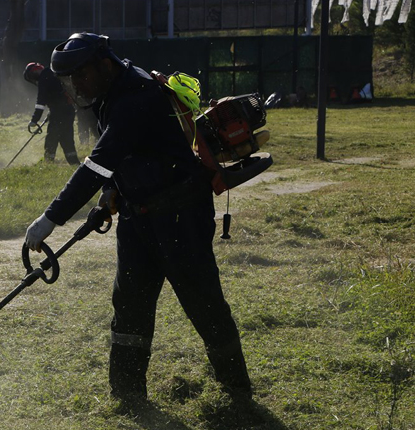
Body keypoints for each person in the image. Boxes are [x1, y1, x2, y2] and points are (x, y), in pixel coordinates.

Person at [24, 33, 252, 410]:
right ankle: (127, 394)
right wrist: (111, 192)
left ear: (103, 63)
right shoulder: (111, 93)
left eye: (80, 76)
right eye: (70, 80)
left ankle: (238, 391)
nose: (76, 86)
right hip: (139, 215)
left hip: (180, 216)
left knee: (203, 302)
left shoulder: (136, 95)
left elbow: (99, 161)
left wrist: (51, 218)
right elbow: (122, 155)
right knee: (129, 304)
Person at [24, 62, 79, 165]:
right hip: (67, 111)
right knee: (66, 138)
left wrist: (34, 120)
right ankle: (74, 163)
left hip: (59, 113)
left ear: (34, 73)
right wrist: (52, 111)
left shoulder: (44, 79)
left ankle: (48, 163)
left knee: (52, 138)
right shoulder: (52, 72)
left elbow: (41, 102)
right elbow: (56, 96)